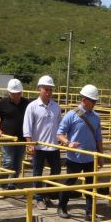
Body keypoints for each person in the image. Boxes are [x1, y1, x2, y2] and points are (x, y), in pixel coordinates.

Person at [56, 84, 103, 220]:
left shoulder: (96, 117)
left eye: (95, 101)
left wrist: (101, 155)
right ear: (84, 99)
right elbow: (59, 133)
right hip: (75, 158)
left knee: (91, 187)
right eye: (93, 101)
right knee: (69, 184)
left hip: (91, 157)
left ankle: (90, 213)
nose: (94, 104)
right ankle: (62, 207)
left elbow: (98, 137)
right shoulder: (72, 115)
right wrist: (68, 143)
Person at [23, 75, 62, 210]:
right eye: (46, 89)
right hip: (38, 146)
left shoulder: (56, 107)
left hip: (53, 146)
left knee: (56, 171)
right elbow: (27, 127)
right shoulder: (32, 107)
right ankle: (38, 198)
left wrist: (60, 139)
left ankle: (46, 195)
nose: (49, 92)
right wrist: (30, 143)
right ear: (40, 89)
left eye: (50, 89)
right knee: (37, 173)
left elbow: (59, 125)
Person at [0, 79, 30, 190]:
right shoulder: (3, 103)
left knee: (17, 163)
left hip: (21, 139)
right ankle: (1, 185)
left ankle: (12, 184)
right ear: (9, 93)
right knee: (8, 162)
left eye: (17, 93)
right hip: (7, 138)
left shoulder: (26, 103)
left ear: (20, 93)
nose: (14, 95)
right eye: (12, 93)